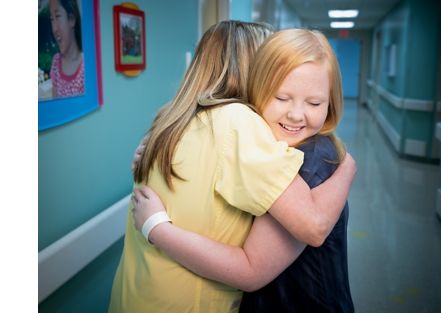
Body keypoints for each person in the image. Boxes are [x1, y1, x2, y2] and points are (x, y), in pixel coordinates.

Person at [108, 21, 355, 313]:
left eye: (313, 102)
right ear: (258, 71)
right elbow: (312, 225)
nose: (296, 111)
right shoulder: (239, 123)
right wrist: (349, 165)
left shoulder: (170, 120)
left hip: (134, 296)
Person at [49, 0, 84, 98]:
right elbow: (55, 105)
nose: (54, 29)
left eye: (58, 16)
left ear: (71, 19)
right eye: (52, 19)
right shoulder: (56, 62)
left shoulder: (86, 65)